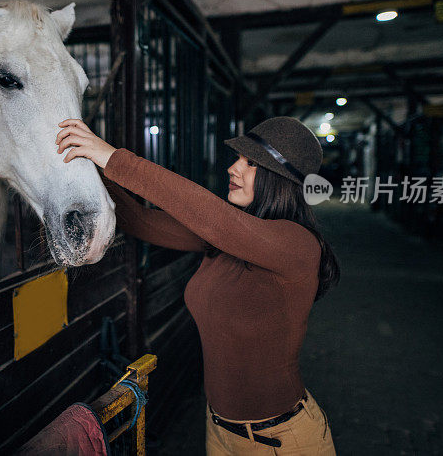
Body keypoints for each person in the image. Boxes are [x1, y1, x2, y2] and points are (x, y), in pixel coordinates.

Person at [56, 116, 339, 455]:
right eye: (237, 159)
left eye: (249, 164)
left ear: (280, 180)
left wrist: (113, 157)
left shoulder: (299, 245)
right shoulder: (230, 238)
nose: (233, 169)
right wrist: (90, 163)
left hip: (283, 441)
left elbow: (214, 219)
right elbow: (140, 220)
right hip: (219, 431)